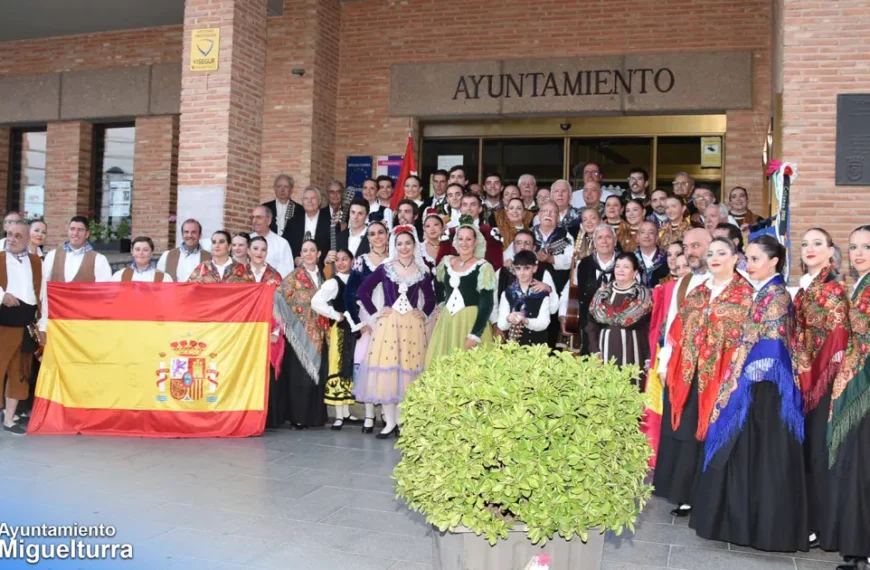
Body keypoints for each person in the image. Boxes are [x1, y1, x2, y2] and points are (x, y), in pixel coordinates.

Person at [691, 235, 807, 552]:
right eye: (748, 258)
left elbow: (774, 347)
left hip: (766, 390)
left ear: (774, 261)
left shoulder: (777, 296)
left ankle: (763, 530)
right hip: (754, 385)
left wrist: (744, 378)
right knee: (748, 457)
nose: (749, 264)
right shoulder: (764, 293)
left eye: (755, 259)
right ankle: (742, 526)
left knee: (763, 459)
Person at [792, 228, 850, 547]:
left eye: (817, 243)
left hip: (823, 382)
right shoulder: (806, 289)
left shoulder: (831, 290)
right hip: (806, 380)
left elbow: (838, 336)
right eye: (804, 244)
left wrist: (813, 371)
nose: (809, 248)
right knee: (809, 453)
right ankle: (812, 522)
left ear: (831, 252)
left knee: (819, 453)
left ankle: (823, 526)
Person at [653, 227, 712, 516]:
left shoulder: (724, 282)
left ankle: (700, 492)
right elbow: (670, 327)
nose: (690, 251)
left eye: (697, 245)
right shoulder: (682, 282)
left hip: (709, 370)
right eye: (687, 246)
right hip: (679, 367)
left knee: (697, 430)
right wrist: (664, 365)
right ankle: (679, 489)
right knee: (679, 428)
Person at [355, 226, 436, 438]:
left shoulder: (422, 271)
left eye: (408, 243)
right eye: (399, 244)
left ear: (414, 245)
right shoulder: (386, 268)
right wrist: (375, 313)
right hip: (388, 326)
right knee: (388, 374)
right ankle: (389, 422)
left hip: (412, 327)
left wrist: (424, 313)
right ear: (394, 246)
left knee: (406, 373)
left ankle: (402, 422)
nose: (404, 247)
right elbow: (362, 291)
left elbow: (430, 298)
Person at [822, 225, 870, 570]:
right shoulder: (859, 286)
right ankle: (857, 546)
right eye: (853, 247)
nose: (859, 253)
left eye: (866, 246)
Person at [426, 215, 497, 366]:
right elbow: (437, 283)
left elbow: (487, 303)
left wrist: (475, 334)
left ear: (476, 241)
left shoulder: (483, 267)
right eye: (461, 238)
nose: (464, 243)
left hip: (471, 320)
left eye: (468, 239)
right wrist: (440, 304)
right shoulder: (447, 261)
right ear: (456, 240)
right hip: (448, 320)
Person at [274, 239, 329, 429]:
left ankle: (315, 417)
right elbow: (278, 298)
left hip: (320, 332)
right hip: (299, 333)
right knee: (300, 378)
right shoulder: (294, 276)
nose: (308, 254)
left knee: (317, 375)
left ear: (319, 253)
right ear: (300, 254)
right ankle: (298, 417)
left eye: (312, 250)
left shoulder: (324, 276)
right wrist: (287, 323)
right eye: (305, 250)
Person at [344, 220, 389, 433]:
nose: (377, 237)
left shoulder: (396, 259)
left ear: (388, 235)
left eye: (381, 232)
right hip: (368, 317)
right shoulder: (360, 262)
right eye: (372, 234)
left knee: (388, 364)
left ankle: (388, 414)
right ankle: (369, 416)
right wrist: (359, 323)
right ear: (368, 238)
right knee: (367, 364)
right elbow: (349, 294)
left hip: (391, 317)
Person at [0, 219, 42, 435]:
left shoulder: (35, 261)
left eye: (18, 236)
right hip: (3, 323)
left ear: (27, 239)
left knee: (19, 373)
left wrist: (41, 325)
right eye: (10, 234)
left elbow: (41, 294)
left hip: (25, 324)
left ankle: (9, 420)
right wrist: (2, 295)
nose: (12, 239)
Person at [39, 216, 113, 337]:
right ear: (68, 231)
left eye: (80, 230)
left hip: (84, 321)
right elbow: (44, 289)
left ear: (87, 234)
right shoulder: (52, 256)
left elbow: (104, 293)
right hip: (56, 321)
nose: (75, 233)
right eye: (72, 229)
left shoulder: (99, 259)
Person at [311, 249, 356, 430]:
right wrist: (335, 314)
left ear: (352, 261)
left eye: (345, 259)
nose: (341, 263)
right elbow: (316, 301)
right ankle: (338, 415)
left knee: (349, 366)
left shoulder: (356, 279)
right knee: (338, 365)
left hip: (355, 329)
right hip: (340, 330)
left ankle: (345, 412)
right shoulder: (333, 283)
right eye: (337, 260)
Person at [559, 224, 618, 355]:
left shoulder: (625, 262)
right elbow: (572, 291)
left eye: (608, 237)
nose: (604, 241)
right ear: (594, 242)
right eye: (600, 237)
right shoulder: (583, 264)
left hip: (618, 328)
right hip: (588, 327)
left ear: (615, 241)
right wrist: (565, 317)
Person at [588, 253, 653, 370]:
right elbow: (591, 325)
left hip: (632, 350)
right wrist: (595, 349)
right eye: (617, 266)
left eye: (626, 267)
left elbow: (649, 329)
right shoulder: (602, 293)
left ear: (635, 273)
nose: (620, 270)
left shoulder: (644, 296)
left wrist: (649, 356)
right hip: (604, 350)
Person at [437, 194, 504, 272]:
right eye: (465, 205)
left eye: (473, 205)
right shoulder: (450, 233)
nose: (468, 208)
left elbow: (497, 263)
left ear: (480, 209)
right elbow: (441, 262)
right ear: (460, 209)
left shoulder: (491, 232)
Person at [497, 250, 552, 345]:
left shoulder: (542, 293)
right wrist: (508, 318)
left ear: (534, 268)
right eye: (518, 268)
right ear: (514, 269)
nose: (522, 273)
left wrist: (526, 321)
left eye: (526, 268)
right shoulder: (507, 293)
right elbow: (501, 324)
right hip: (512, 347)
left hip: (536, 347)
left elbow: (544, 323)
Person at [287, 187, 331, 266]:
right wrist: (295, 258)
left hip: (322, 268)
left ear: (319, 201)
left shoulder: (330, 222)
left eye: (313, 198)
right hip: (298, 268)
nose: (309, 201)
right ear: (302, 202)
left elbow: (333, 247)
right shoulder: (293, 222)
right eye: (306, 198)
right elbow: (287, 245)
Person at [250, 205, 295, 277]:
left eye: (259, 217)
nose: (254, 221)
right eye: (253, 217)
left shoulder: (282, 244)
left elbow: (287, 273)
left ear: (268, 221)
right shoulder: (247, 240)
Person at [263, 173, 302, 241]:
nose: (282, 190)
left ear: (291, 190)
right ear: (274, 189)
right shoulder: (265, 208)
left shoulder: (300, 209)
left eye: (286, 187)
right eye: (279, 186)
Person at [634, 221, 669, 288]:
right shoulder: (631, 259)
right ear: (638, 236)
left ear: (656, 237)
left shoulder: (666, 259)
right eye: (642, 232)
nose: (646, 236)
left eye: (651, 233)